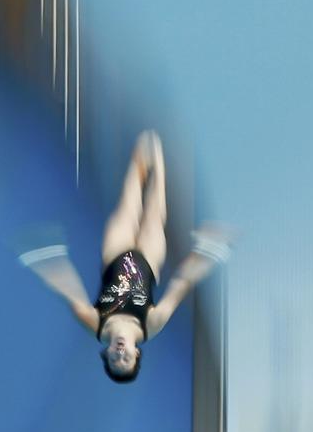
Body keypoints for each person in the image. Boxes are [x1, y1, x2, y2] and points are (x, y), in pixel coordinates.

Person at [19, 130, 233, 382]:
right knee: (155, 209)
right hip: (149, 258)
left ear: (106, 352)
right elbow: (181, 284)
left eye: (114, 359)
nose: (120, 354)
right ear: (136, 353)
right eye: (126, 358)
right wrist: (209, 253)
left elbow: (71, 294)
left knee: (129, 200)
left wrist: (45, 260)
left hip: (115, 253)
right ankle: (159, 155)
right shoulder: (150, 325)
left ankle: (142, 153)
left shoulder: (97, 324)